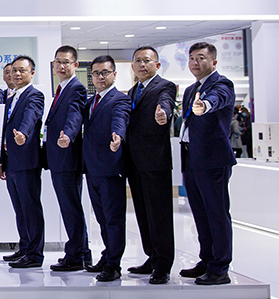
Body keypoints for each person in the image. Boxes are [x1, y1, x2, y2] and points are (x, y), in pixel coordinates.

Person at [179, 42, 236, 286]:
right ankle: (207, 259)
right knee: (200, 213)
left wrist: (205, 105)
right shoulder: (191, 89)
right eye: (192, 57)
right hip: (192, 158)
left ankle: (220, 267)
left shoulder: (221, 84)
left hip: (213, 160)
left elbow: (217, 99)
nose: (195, 62)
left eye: (201, 58)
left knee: (216, 213)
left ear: (214, 61)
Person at [125, 46, 177, 284]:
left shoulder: (164, 86)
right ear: (132, 66)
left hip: (155, 162)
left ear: (157, 64)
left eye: (147, 60)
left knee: (160, 215)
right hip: (135, 162)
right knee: (143, 213)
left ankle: (163, 265)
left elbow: (166, 103)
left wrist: (164, 113)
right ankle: (152, 257)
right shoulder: (133, 90)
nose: (142, 65)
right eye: (138, 61)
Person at [44, 46, 93, 272]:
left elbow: (75, 114)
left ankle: (76, 255)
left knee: (71, 208)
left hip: (67, 158)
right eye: (58, 62)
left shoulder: (76, 88)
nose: (61, 66)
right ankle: (81, 252)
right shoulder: (62, 88)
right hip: (58, 158)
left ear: (75, 65)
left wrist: (69, 135)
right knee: (69, 208)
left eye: (66, 62)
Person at [82, 55, 130, 282]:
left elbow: (119, 119)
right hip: (92, 168)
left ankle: (114, 264)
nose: (100, 77)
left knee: (113, 219)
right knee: (102, 219)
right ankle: (107, 255)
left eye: (105, 73)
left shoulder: (120, 99)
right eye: (96, 73)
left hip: (110, 169)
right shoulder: (91, 101)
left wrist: (117, 135)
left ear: (114, 74)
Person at [0, 55, 45, 268]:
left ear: (31, 73)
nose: (16, 74)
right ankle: (25, 248)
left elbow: (30, 117)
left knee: (30, 209)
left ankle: (34, 254)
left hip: (26, 162)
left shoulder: (34, 95)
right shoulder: (11, 97)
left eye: (21, 70)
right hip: (12, 162)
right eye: (13, 70)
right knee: (20, 209)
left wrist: (24, 133)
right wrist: (3, 161)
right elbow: (6, 131)